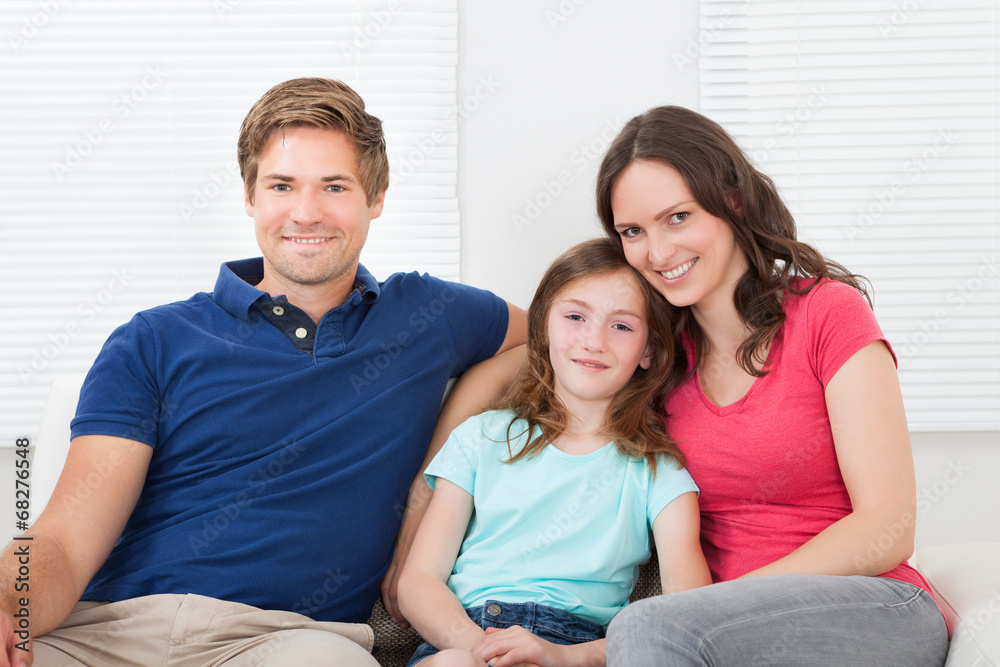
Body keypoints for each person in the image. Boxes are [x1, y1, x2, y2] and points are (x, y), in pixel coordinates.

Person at [0, 77, 527, 667]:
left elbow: (554, 340)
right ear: (250, 197)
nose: (307, 212)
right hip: (106, 632)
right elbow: (64, 542)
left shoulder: (430, 314)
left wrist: (426, 480)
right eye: (282, 185)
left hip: (285, 643)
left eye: (334, 185)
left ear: (375, 197)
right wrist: (7, 604)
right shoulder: (153, 340)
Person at [595, 106, 949, 666]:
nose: (657, 253)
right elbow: (537, 356)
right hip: (720, 630)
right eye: (633, 232)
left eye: (678, 217)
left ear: (731, 202)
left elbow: (890, 526)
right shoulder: (657, 359)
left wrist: (721, 607)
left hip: (876, 605)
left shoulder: (828, 313)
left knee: (644, 627)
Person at [397, 238, 711, 667]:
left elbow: (684, 615)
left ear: (649, 351)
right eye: (576, 317)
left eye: (621, 326)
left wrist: (564, 657)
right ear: (543, 326)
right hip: (463, 640)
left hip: (575, 648)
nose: (594, 340)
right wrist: (482, 650)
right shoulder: (480, 438)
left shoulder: (658, 471)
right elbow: (418, 581)